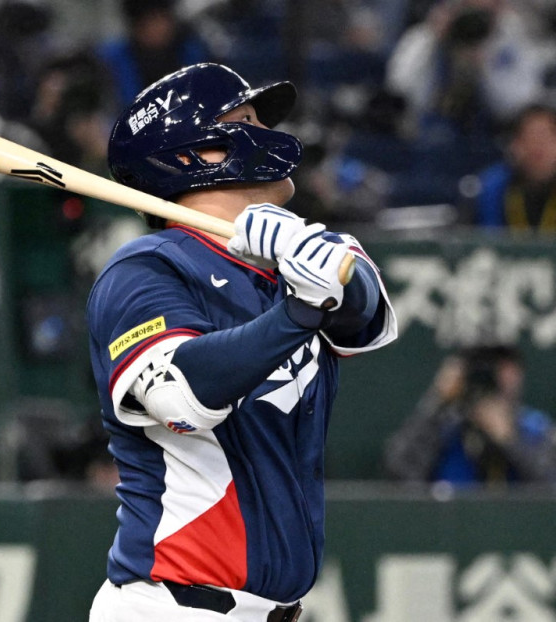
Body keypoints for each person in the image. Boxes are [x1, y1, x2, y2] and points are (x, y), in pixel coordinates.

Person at [86, 63, 397, 621]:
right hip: (173, 605)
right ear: (195, 154)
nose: (264, 132)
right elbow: (182, 398)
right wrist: (300, 310)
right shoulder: (145, 270)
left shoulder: (291, 253)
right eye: (244, 119)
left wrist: (326, 270)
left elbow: (365, 315)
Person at [383, 345, 556, 486]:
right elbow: (399, 474)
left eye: (502, 367)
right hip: (451, 524)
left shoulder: (535, 428)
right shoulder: (446, 427)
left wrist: (510, 440)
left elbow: (549, 485)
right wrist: (437, 401)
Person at [470, 102, 556, 231]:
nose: (538, 146)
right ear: (514, 145)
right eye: (529, 137)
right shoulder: (491, 188)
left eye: (546, 137)